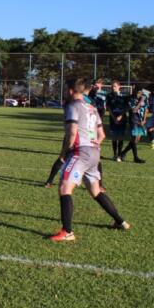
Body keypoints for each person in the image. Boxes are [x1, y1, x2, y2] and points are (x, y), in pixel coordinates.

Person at [50, 78, 130, 242]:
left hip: (81, 152)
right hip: (94, 153)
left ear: (70, 91)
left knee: (65, 187)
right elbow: (102, 135)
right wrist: (94, 146)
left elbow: (72, 132)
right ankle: (120, 222)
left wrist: (65, 153)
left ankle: (67, 232)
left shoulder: (73, 106)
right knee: (96, 191)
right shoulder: (92, 108)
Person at [119, 86, 147, 164]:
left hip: (141, 121)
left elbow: (146, 109)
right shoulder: (130, 99)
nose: (139, 94)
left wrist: (144, 120)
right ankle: (136, 158)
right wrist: (140, 102)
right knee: (134, 139)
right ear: (134, 92)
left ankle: (122, 153)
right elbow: (134, 110)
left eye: (140, 93)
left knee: (136, 140)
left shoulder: (144, 98)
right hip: (134, 120)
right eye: (137, 93)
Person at [106, 80, 127, 161]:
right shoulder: (109, 95)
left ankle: (119, 155)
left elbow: (126, 107)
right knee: (114, 137)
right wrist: (114, 118)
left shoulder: (124, 95)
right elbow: (109, 108)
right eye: (112, 86)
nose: (113, 87)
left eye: (114, 86)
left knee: (121, 137)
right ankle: (115, 154)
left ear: (119, 86)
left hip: (122, 118)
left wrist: (121, 116)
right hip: (113, 119)